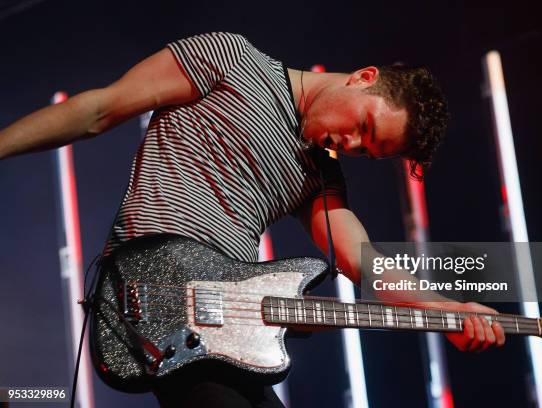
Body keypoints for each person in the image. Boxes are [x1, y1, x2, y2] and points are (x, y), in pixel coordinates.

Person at [0, 32, 505, 407]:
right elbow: (96, 111)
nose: (348, 146)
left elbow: (362, 261)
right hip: (155, 283)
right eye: (364, 126)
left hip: (219, 324)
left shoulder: (320, 174)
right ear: (363, 77)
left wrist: (448, 308)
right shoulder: (232, 59)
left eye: (367, 151)